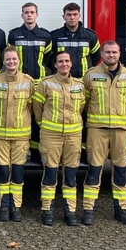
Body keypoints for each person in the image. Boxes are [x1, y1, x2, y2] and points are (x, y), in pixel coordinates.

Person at [81, 41, 126, 226]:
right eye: (108, 52)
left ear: (119, 53)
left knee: (120, 171)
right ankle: (89, 209)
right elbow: (85, 102)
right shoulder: (90, 75)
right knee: (94, 170)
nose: (111, 55)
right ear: (102, 54)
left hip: (121, 131)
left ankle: (121, 209)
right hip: (97, 130)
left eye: (114, 52)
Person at [34, 51, 86, 226]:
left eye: (67, 61)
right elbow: (37, 109)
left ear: (71, 63)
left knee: (70, 176)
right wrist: (46, 125)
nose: (64, 64)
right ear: (55, 65)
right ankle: (47, 210)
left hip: (73, 136)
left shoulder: (80, 85)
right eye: (60, 61)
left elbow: (81, 107)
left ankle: (70, 211)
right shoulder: (45, 84)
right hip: (51, 135)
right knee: (50, 174)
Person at [0, 46, 35, 222]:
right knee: (2, 172)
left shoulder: (28, 82)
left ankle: (16, 206)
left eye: (14, 59)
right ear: (3, 61)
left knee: (17, 173)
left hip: (21, 136)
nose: (11, 62)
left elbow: (31, 108)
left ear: (19, 60)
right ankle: (3, 205)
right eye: (8, 59)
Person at [8, 2, 53, 164]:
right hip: (19, 84)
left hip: (39, 84)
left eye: (32, 12)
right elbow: (10, 59)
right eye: (26, 12)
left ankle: (35, 153)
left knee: (38, 119)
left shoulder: (45, 36)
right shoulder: (13, 35)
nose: (29, 15)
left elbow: (48, 60)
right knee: (19, 116)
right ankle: (18, 152)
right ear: (22, 15)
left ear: (37, 15)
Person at [50, 3, 100, 78]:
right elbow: (49, 58)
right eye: (69, 15)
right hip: (62, 80)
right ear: (64, 17)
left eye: (75, 14)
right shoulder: (55, 36)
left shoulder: (90, 35)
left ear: (79, 16)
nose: (72, 17)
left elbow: (96, 56)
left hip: (84, 80)